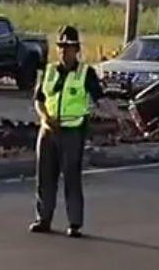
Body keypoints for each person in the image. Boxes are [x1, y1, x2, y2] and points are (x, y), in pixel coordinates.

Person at [30, 25, 107, 238]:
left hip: (72, 132)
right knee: (45, 178)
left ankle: (74, 223)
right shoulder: (49, 71)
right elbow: (39, 100)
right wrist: (45, 117)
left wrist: (119, 117)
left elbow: (100, 99)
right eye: (62, 47)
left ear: (77, 50)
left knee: (71, 178)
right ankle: (43, 219)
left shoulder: (85, 73)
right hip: (48, 131)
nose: (65, 51)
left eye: (69, 47)